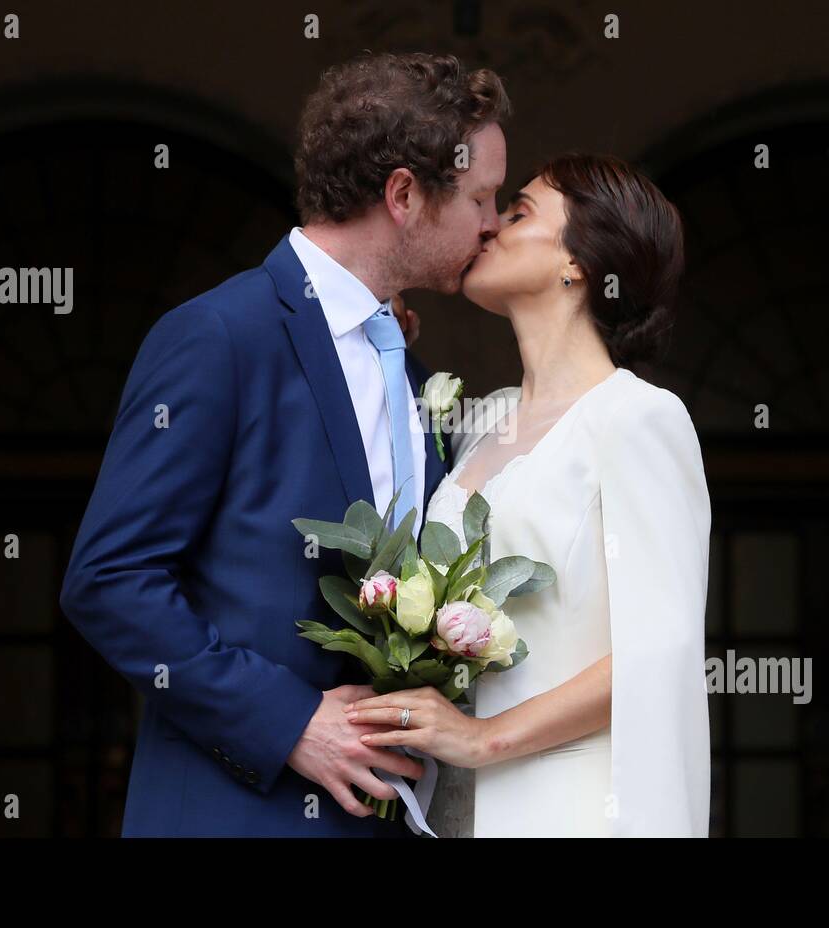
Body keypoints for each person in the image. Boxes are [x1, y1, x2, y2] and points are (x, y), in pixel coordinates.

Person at [58, 52, 511, 836]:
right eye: (481, 197)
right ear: (403, 194)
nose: (494, 222)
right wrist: (290, 722)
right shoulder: (219, 337)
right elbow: (109, 578)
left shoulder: (410, 368)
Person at [345, 153, 713, 837]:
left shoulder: (636, 418)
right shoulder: (482, 424)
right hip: (453, 810)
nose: (489, 229)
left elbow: (659, 651)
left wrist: (481, 739)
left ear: (580, 263)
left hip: (569, 805)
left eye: (517, 213)